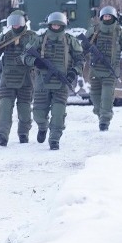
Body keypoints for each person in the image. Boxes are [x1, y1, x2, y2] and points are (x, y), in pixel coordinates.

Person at [28, 11, 82, 150]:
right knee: (38, 114)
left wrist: (73, 72)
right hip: (42, 82)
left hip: (61, 84)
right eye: (54, 24)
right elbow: (24, 56)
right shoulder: (39, 40)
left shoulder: (71, 40)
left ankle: (54, 139)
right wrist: (35, 61)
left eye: (59, 24)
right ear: (49, 24)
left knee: (58, 114)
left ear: (63, 25)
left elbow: (80, 60)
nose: (56, 26)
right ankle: (43, 126)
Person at [83, 5, 122, 131]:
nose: (107, 18)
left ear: (114, 18)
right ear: (101, 17)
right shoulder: (95, 30)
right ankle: (101, 114)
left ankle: (105, 121)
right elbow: (83, 48)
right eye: (105, 16)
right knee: (95, 98)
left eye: (109, 16)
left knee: (107, 97)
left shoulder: (119, 33)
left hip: (110, 72)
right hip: (95, 70)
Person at [0, 12, 37, 146]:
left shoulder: (32, 37)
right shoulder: (6, 37)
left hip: (25, 79)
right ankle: (2, 135)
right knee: (5, 107)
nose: (15, 25)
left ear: (24, 22)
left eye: (18, 21)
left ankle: (23, 133)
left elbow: (37, 55)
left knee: (24, 109)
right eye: (13, 22)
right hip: (8, 78)